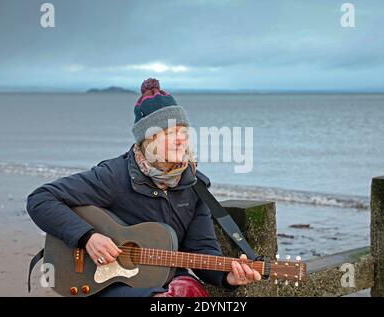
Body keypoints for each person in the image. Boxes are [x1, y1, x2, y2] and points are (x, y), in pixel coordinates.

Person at [26, 78, 261, 297]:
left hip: (168, 279)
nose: (181, 139)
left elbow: (201, 250)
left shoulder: (195, 186)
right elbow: (41, 199)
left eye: (183, 131)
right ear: (149, 141)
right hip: (112, 283)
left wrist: (228, 277)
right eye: (170, 132)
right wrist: (87, 237)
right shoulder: (115, 176)